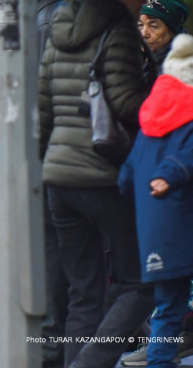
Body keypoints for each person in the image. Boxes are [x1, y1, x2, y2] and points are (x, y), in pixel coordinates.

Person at [38, 0, 156, 368]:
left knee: (83, 293)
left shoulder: (60, 29)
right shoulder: (118, 31)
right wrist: (157, 92)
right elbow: (126, 105)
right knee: (140, 283)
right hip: (101, 175)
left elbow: (42, 110)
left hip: (58, 178)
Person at [118, 33, 193, 367]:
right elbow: (185, 158)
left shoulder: (149, 124)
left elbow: (126, 178)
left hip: (153, 232)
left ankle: (160, 361)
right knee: (173, 307)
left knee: (167, 307)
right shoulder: (189, 121)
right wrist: (169, 175)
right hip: (183, 227)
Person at [36, 0, 70, 368]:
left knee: (49, 255)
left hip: (42, 157)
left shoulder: (49, 20)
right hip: (44, 153)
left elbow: (37, 99)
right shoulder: (42, 16)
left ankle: (49, 348)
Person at [139, 0, 189, 69]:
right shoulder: (135, 60)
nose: (144, 34)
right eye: (140, 25)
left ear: (172, 30)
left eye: (153, 26)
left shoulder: (183, 67)